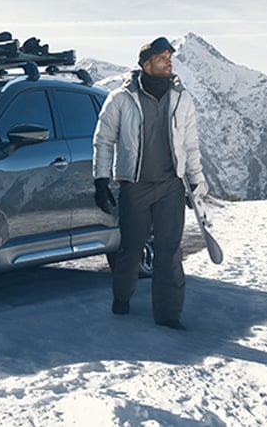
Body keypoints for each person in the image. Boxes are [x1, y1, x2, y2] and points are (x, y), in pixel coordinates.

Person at [92, 36, 207, 330]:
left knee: (169, 251)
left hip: (171, 185)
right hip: (135, 185)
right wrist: (101, 180)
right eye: (161, 58)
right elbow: (103, 141)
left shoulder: (182, 98)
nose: (169, 62)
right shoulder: (120, 98)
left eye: (170, 57)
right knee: (131, 247)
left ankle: (169, 315)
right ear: (146, 64)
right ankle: (122, 297)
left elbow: (191, 145)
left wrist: (196, 181)